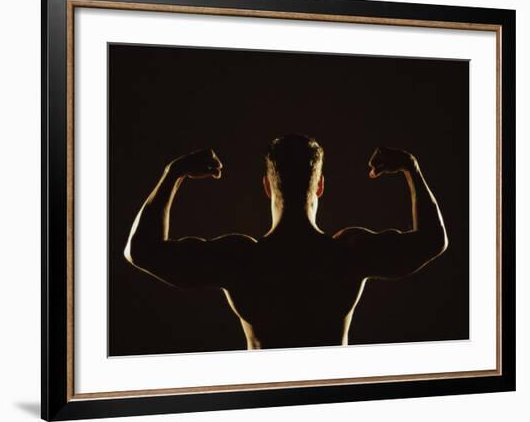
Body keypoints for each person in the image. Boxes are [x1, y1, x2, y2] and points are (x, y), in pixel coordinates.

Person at [124, 134, 448, 349]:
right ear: (320, 186)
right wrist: (411, 169)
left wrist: (173, 173)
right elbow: (434, 240)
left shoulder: (240, 261)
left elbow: (140, 251)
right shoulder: (348, 254)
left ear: (266, 186)